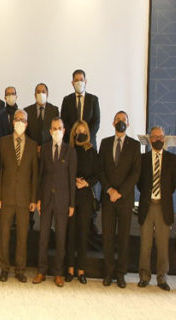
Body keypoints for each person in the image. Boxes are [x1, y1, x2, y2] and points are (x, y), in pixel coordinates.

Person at [0, 109, 38, 283]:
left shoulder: (33, 145)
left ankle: (20, 269)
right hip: (6, 196)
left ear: (27, 124)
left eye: (23, 120)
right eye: (17, 119)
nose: (20, 122)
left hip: (24, 198)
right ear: (13, 122)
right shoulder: (3, 142)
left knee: (22, 236)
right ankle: (4, 268)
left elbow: (34, 175)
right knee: (4, 235)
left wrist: (33, 199)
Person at [98, 111, 141, 287]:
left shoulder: (135, 145)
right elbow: (100, 169)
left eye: (123, 119)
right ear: (113, 122)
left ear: (128, 124)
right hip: (108, 198)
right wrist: (109, 190)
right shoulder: (105, 143)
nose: (120, 122)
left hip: (125, 199)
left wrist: (120, 192)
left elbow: (135, 173)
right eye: (118, 119)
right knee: (107, 237)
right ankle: (108, 273)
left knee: (123, 238)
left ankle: (121, 273)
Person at [34, 117, 77, 286]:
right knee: (43, 237)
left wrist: (72, 203)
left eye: (60, 128)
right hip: (46, 199)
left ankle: (58, 273)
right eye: (54, 128)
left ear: (64, 131)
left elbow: (71, 179)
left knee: (60, 238)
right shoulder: (44, 149)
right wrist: (38, 198)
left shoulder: (70, 151)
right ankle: (41, 271)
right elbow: (40, 176)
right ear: (50, 131)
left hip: (63, 201)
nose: (57, 131)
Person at [136, 126, 176, 290]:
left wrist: (162, 194)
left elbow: (174, 182)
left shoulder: (172, 159)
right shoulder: (143, 159)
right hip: (147, 205)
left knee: (162, 246)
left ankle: (162, 278)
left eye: (161, 136)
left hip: (163, 206)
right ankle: (144, 277)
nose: (158, 139)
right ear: (149, 139)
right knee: (145, 245)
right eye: (155, 136)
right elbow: (140, 183)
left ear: (164, 138)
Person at [64, 121, 98, 284]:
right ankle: (70, 269)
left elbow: (97, 174)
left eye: (84, 131)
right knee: (70, 233)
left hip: (85, 196)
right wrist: (73, 181)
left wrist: (86, 183)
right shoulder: (68, 150)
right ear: (73, 133)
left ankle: (81, 270)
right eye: (78, 130)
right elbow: (63, 171)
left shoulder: (92, 152)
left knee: (83, 233)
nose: (81, 133)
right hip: (70, 195)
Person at [60, 69, 100, 148]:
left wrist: (86, 136)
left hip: (89, 143)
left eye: (81, 80)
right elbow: (64, 120)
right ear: (72, 83)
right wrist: (74, 135)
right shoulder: (67, 100)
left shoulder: (93, 99)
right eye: (76, 80)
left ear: (85, 81)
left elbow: (96, 121)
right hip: (71, 143)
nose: (79, 82)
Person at [24, 83, 59, 150]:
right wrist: (33, 146)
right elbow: (25, 132)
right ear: (35, 95)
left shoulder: (54, 110)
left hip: (49, 149)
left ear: (47, 94)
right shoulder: (27, 111)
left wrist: (47, 147)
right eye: (38, 92)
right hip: (31, 148)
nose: (41, 94)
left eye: (43, 92)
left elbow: (56, 130)